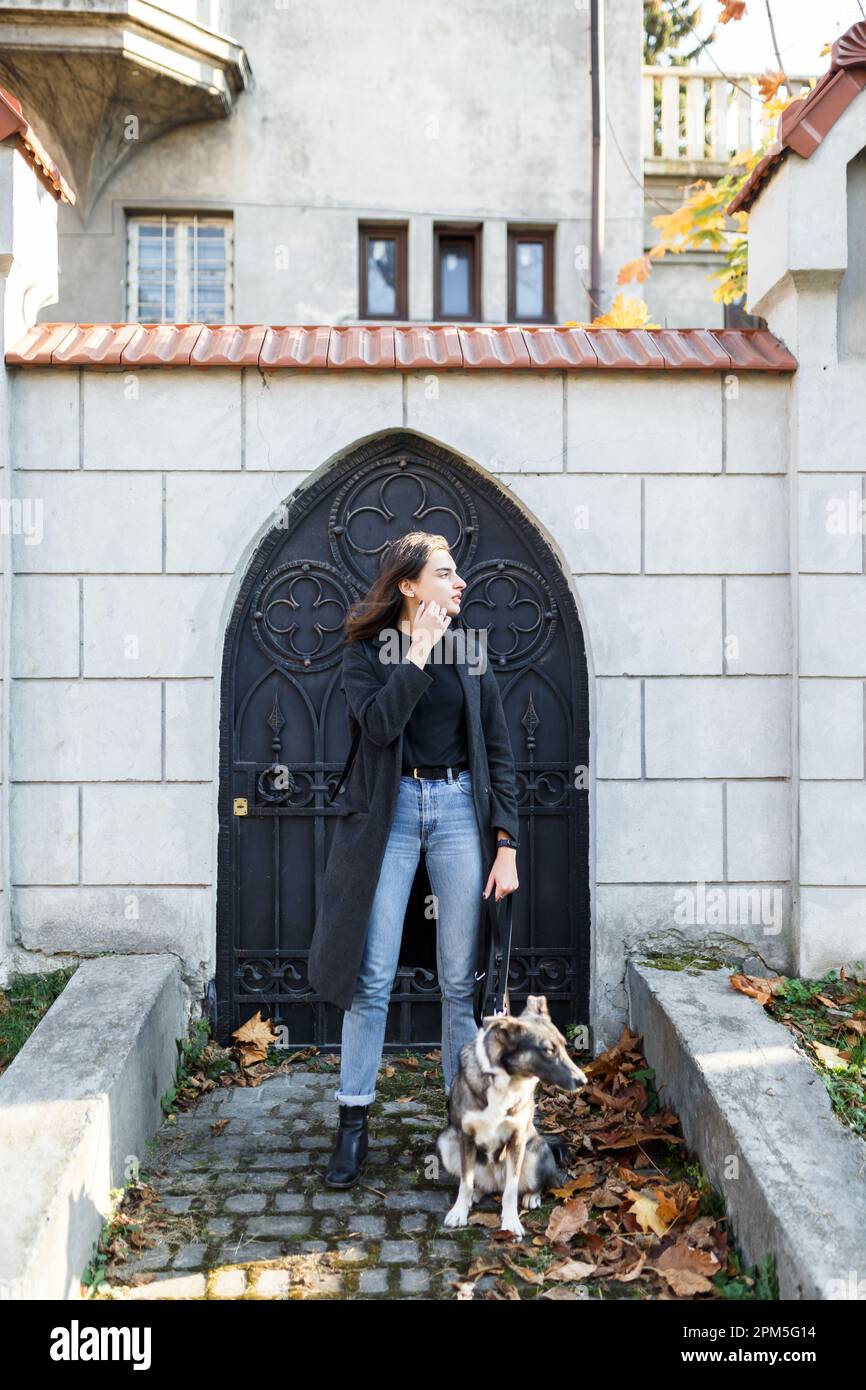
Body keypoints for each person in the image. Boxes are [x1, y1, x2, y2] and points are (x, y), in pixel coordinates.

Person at [311, 530, 520, 1188]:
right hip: (392, 814)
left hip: (458, 809)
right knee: (370, 978)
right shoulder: (365, 653)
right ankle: (352, 1124)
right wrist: (420, 651)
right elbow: (378, 727)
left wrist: (506, 842)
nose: (459, 582)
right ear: (408, 585)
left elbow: (501, 752)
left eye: (458, 573)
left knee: (461, 981)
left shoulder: (472, 651)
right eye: (445, 572)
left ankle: (465, 1129)